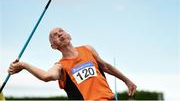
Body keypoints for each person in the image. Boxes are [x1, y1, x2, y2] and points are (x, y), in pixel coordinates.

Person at [8, 27, 137, 100]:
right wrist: (24, 65)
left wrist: (127, 80)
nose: (59, 34)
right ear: (53, 46)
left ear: (69, 35)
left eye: (61, 31)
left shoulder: (88, 49)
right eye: (55, 35)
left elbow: (106, 66)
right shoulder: (60, 66)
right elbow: (47, 76)